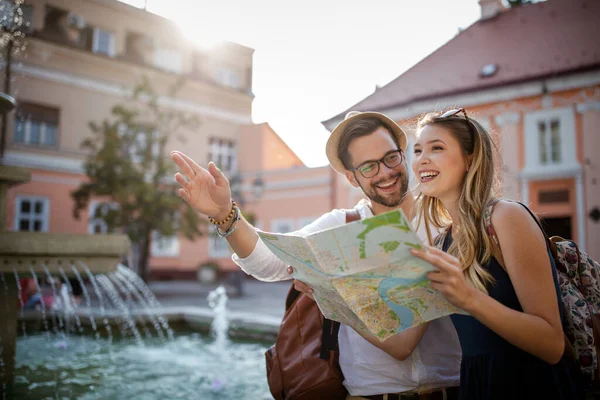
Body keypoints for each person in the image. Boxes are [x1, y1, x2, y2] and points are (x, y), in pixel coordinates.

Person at [172, 111, 461, 399]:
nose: (385, 172)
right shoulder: (340, 225)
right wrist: (225, 215)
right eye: (369, 167)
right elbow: (269, 263)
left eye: (390, 158)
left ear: (403, 154)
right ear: (351, 177)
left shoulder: (446, 222)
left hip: (454, 391)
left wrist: (333, 299)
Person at [408, 108, 583, 400]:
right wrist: (330, 294)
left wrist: (469, 298)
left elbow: (553, 345)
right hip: (477, 386)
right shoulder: (440, 244)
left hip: (532, 386)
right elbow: (401, 346)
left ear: (470, 159)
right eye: (416, 150)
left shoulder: (506, 217)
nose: (421, 160)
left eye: (436, 148)